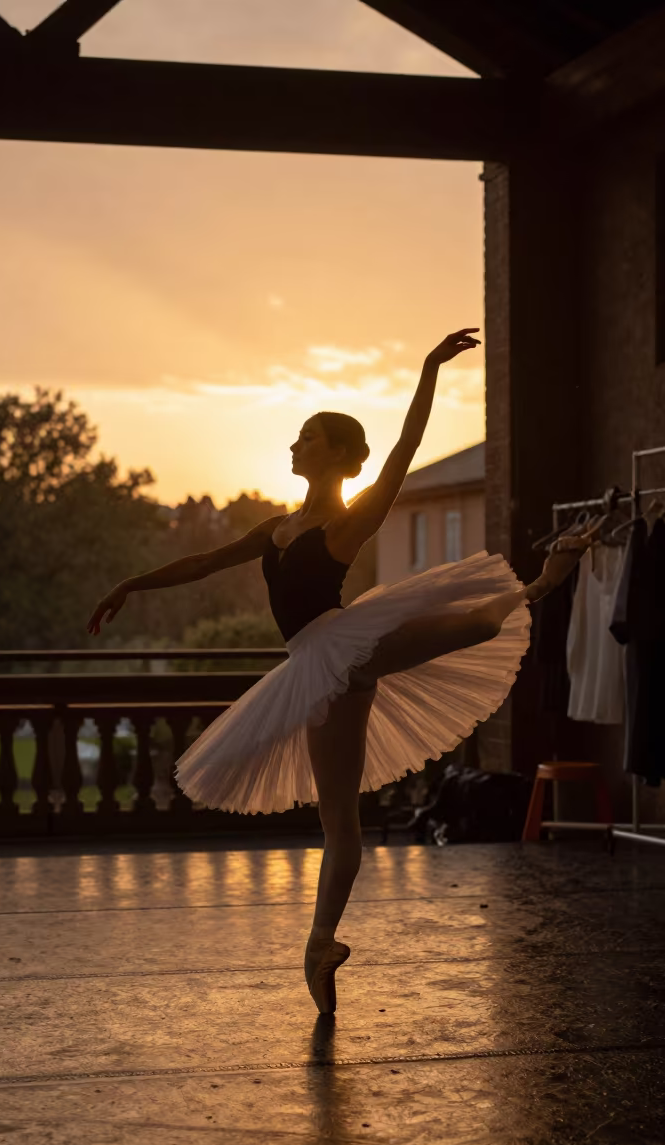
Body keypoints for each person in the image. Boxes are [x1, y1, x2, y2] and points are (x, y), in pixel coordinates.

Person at [87, 329, 594, 1014]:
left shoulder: (345, 527)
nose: (294, 445)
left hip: (342, 645)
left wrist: (426, 371)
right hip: (314, 662)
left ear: (333, 452)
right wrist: (130, 583)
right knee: (339, 819)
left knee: (472, 629)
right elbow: (203, 564)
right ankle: (321, 945)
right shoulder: (274, 528)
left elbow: (405, 452)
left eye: (306, 436)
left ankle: (539, 584)